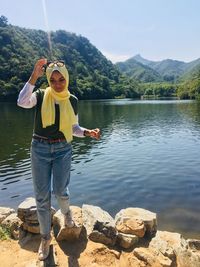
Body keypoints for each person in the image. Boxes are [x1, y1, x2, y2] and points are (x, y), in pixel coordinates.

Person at [17, 58, 100, 261]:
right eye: (52, 79)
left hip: (63, 148)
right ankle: (45, 239)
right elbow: (21, 102)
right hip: (40, 149)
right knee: (41, 197)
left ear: (66, 79)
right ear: (48, 79)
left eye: (61, 79)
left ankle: (66, 213)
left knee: (61, 191)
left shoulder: (72, 100)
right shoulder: (40, 95)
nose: (57, 83)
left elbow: (73, 128)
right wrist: (34, 76)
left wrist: (87, 132)